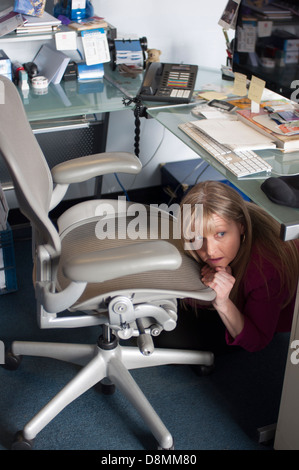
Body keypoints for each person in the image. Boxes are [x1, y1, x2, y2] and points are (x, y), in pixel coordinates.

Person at [156, 181, 299, 355]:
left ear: (241, 226)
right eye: (197, 237)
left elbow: (258, 341)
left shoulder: (266, 267)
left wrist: (222, 301)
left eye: (220, 234)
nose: (210, 250)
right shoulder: (215, 231)